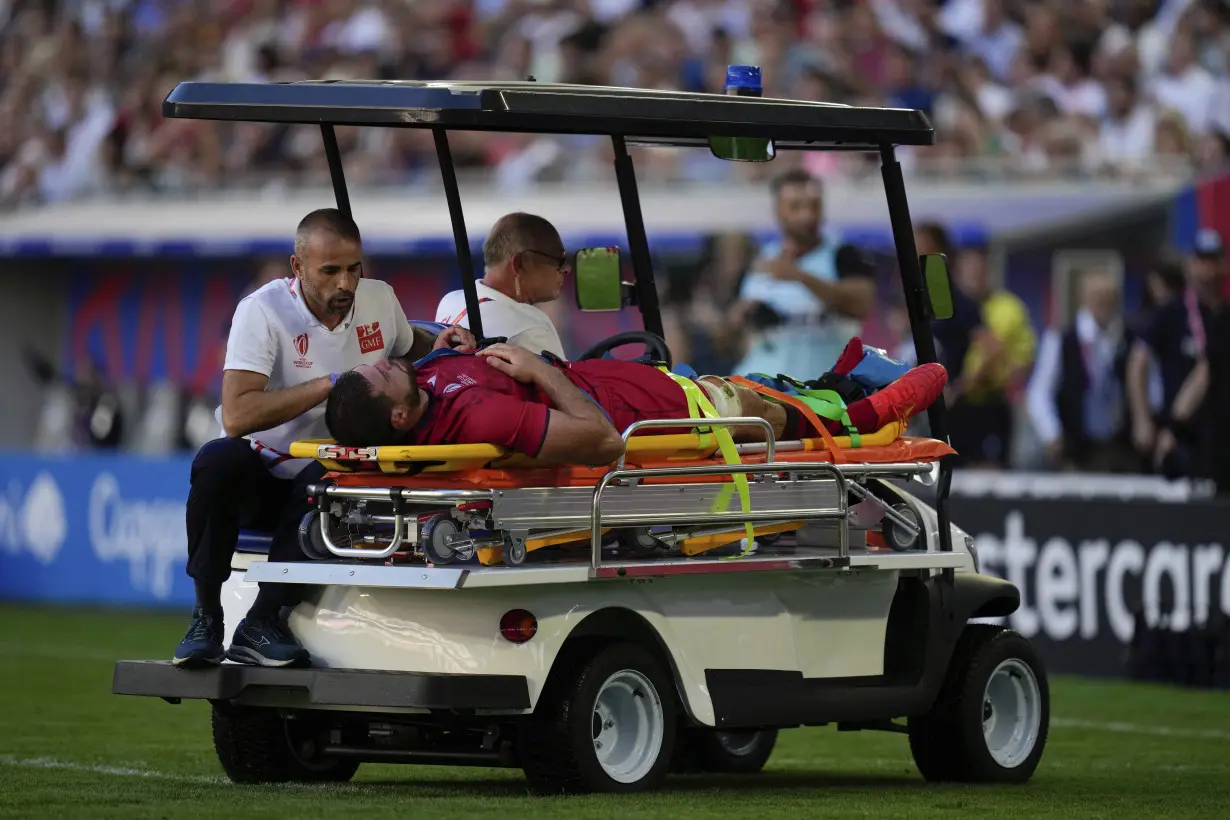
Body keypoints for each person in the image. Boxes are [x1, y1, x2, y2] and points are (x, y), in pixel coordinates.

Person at [174, 208, 476, 670]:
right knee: (217, 460)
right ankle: (205, 617)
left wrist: (440, 342)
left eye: (354, 269)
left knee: (331, 474)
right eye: (330, 271)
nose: (346, 284)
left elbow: (404, 344)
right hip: (264, 471)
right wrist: (331, 383)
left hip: (335, 478)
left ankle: (262, 621)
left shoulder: (379, 299)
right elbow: (236, 415)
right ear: (298, 269)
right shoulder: (262, 311)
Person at [323, 341, 948, 465]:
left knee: (758, 383)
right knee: (769, 411)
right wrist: (538, 366)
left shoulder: (427, 386)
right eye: (382, 376)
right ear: (399, 417)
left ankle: (842, 378)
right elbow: (599, 440)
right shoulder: (477, 420)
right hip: (669, 415)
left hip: (643, 382)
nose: (384, 363)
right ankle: (873, 412)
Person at [729, 170, 877, 379]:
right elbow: (732, 329)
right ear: (778, 211)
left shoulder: (842, 254)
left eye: (814, 206)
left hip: (824, 384)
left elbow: (861, 303)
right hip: (765, 379)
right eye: (796, 207)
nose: (807, 216)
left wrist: (801, 277)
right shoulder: (762, 258)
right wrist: (740, 315)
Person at [1125, 228, 1229, 483]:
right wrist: (1146, 419)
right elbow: (1139, 360)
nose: (1208, 271)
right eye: (1201, 261)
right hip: (1188, 432)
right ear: (1189, 265)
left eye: (1214, 262)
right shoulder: (1171, 312)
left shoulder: (1224, 315)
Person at [1025, 271, 1138, 472]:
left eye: (1109, 297)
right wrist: (1051, 432)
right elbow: (1039, 391)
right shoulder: (1062, 339)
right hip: (1076, 446)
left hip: (1121, 444)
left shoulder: (1129, 338)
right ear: (1084, 298)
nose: (1104, 303)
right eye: (1097, 297)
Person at [435, 212, 568, 359]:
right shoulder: (530, 329)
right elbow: (559, 382)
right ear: (520, 263)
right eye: (558, 260)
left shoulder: (449, 301)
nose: (567, 268)